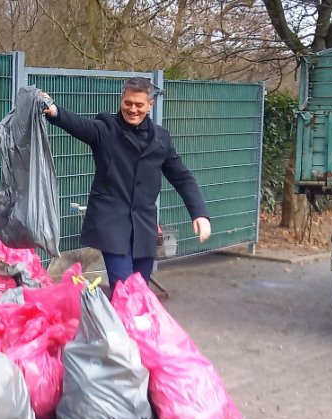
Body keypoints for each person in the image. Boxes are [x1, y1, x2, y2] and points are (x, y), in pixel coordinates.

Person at [41, 77, 211, 290]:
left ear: (150, 104)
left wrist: (200, 214)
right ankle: (122, 320)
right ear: (121, 100)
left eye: (139, 105)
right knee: (124, 289)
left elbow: (182, 177)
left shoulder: (161, 139)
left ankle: (128, 322)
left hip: (144, 229)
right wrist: (54, 110)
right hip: (113, 227)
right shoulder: (105, 129)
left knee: (139, 290)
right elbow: (78, 124)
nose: (132, 109)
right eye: (127, 103)